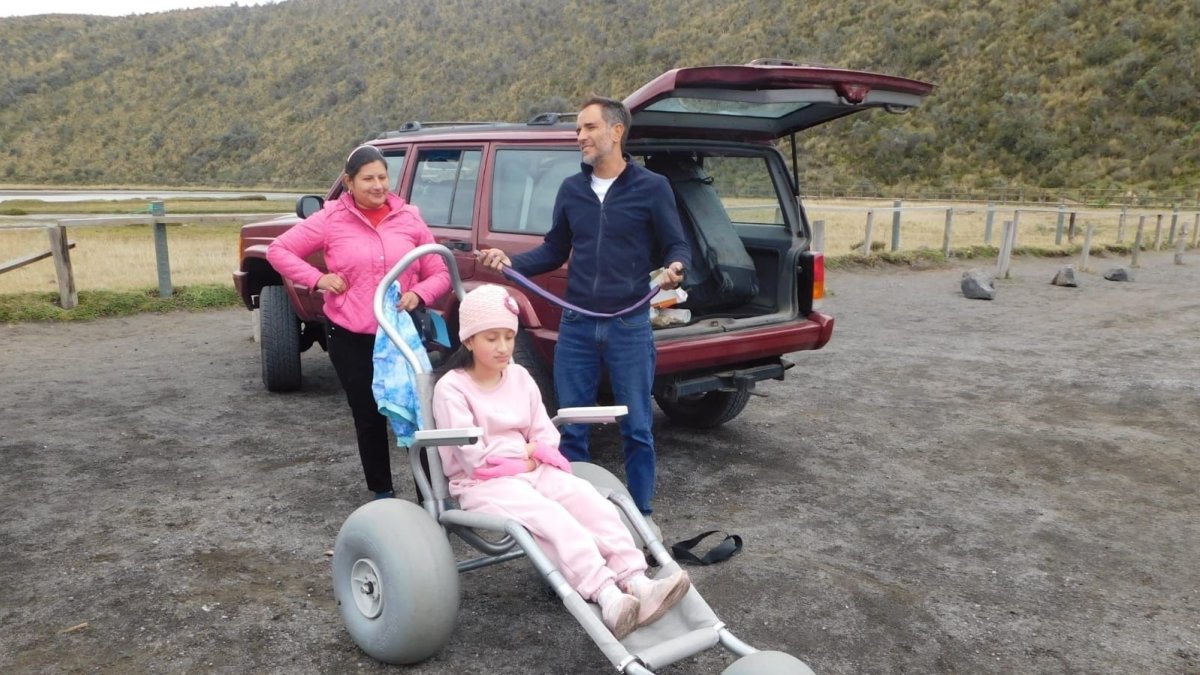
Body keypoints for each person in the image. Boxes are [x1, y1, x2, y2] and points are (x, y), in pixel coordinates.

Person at [431, 284, 691, 639]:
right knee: (550, 517)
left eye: (509, 336)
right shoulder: (452, 388)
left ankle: (635, 580)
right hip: (483, 483)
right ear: (469, 340)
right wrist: (525, 452)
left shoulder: (520, 377)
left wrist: (532, 453)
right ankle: (607, 595)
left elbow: (545, 433)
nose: (504, 347)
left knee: (587, 500)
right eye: (491, 338)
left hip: (533, 469)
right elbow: (474, 455)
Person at [477, 96, 690, 514]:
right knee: (571, 426)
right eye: (578, 129)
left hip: (628, 325)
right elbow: (554, 250)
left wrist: (677, 266)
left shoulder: (652, 187)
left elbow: (676, 243)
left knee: (637, 428)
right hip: (576, 325)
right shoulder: (572, 189)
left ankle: (642, 518)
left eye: (589, 128)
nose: (580, 137)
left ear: (616, 131)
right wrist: (509, 262)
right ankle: (578, 515)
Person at [267, 144, 451, 501]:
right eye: (368, 178)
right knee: (368, 415)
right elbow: (279, 250)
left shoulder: (410, 218)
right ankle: (382, 494)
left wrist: (421, 294)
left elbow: (439, 271)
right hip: (351, 335)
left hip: (400, 338)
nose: (378, 185)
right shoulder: (330, 218)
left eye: (383, 177)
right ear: (349, 182)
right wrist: (317, 278)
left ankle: (431, 497)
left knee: (420, 412)